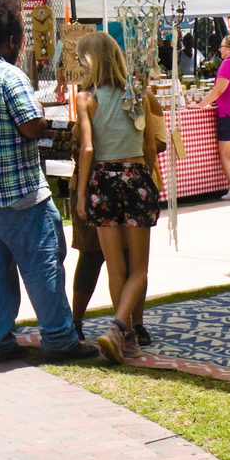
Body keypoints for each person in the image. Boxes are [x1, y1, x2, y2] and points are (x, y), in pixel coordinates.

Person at [0, 0, 99, 366]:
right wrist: (47, 121)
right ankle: (60, 338)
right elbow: (30, 127)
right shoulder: (10, 76)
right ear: (13, 40)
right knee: (43, 261)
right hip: (17, 193)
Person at [73, 32, 167, 364]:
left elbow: (87, 148)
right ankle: (118, 329)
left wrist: (82, 194)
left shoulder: (85, 98)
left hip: (102, 179)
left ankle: (124, 335)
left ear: (90, 61)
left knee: (116, 267)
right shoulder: (138, 93)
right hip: (136, 177)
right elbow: (151, 145)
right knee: (138, 269)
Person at [190, 32, 230, 195]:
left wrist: (200, 105)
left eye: (222, 47)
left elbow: (219, 89)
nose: (220, 50)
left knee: (226, 154)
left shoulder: (228, 64)